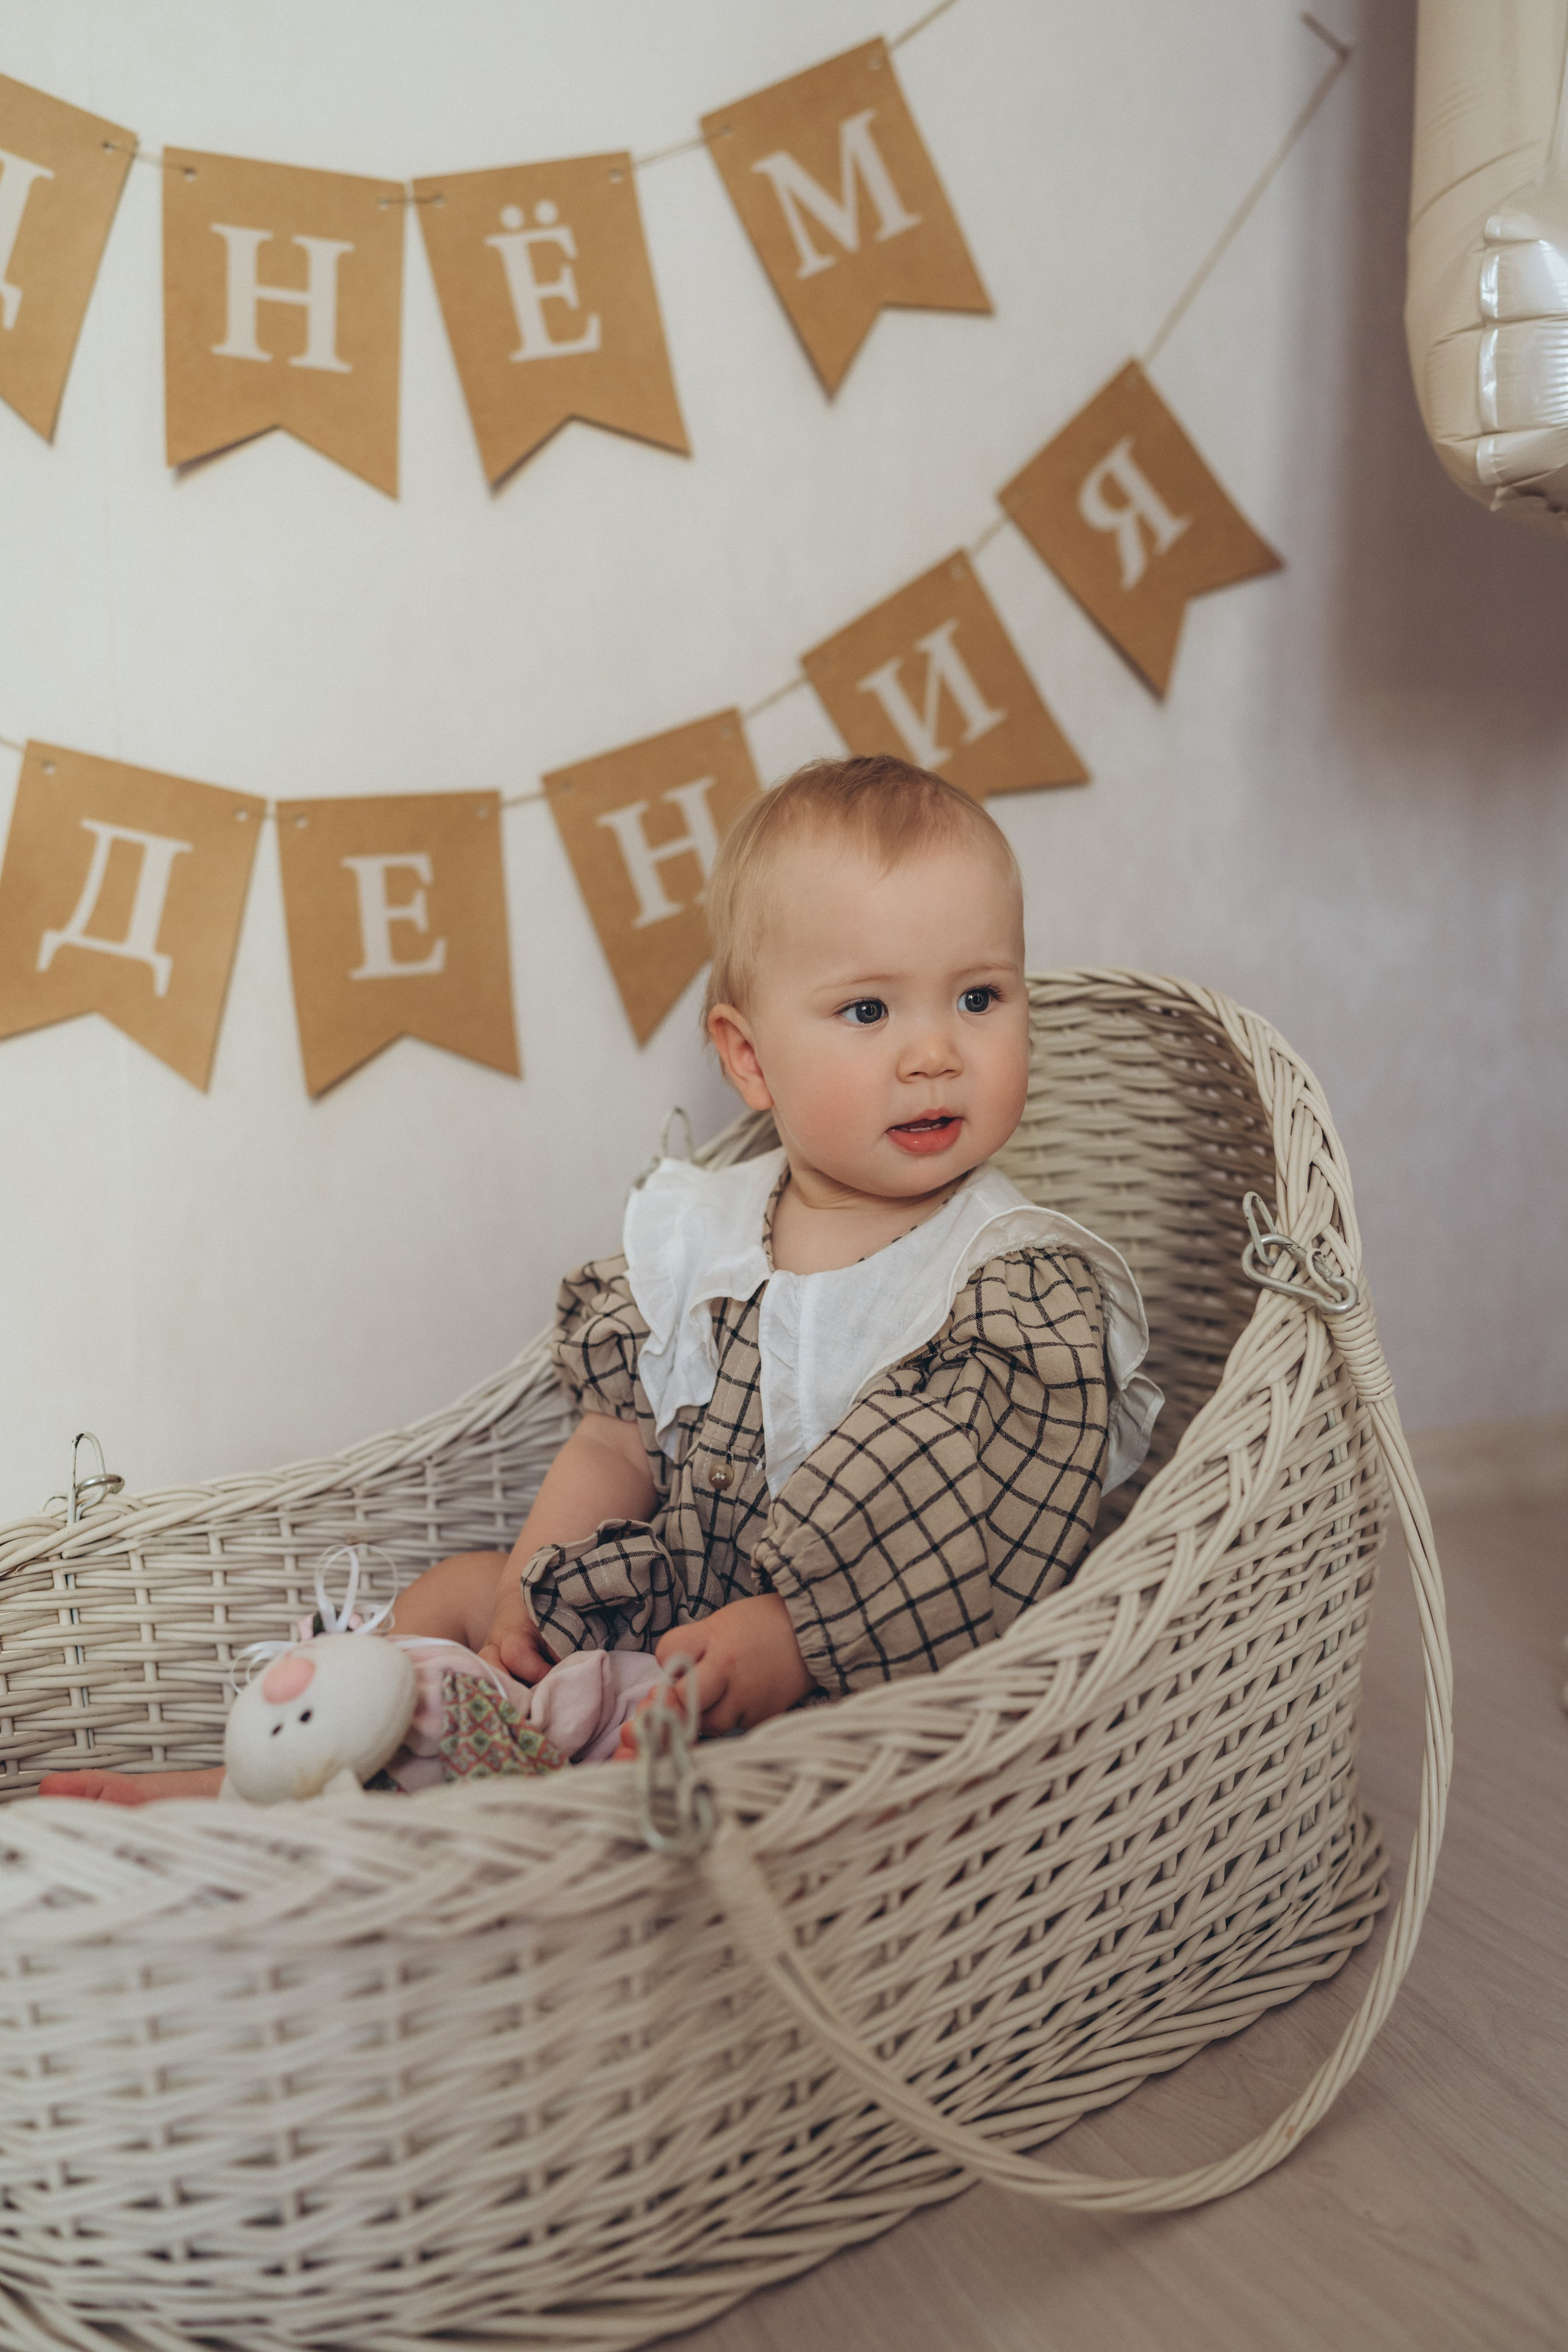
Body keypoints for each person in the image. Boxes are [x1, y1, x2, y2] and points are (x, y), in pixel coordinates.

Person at [42, 754, 1158, 1805]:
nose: (935, 1054)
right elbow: (617, 1446)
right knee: (460, 1593)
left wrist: (784, 1640)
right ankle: (266, 1783)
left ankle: (505, 1804)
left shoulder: (1009, 1289)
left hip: (849, 1682)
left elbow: (967, 1524)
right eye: (869, 1011)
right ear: (750, 1059)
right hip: (665, 1617)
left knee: (749, 1759)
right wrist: (527, 1588)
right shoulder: (699, 1238)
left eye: (980, 998)